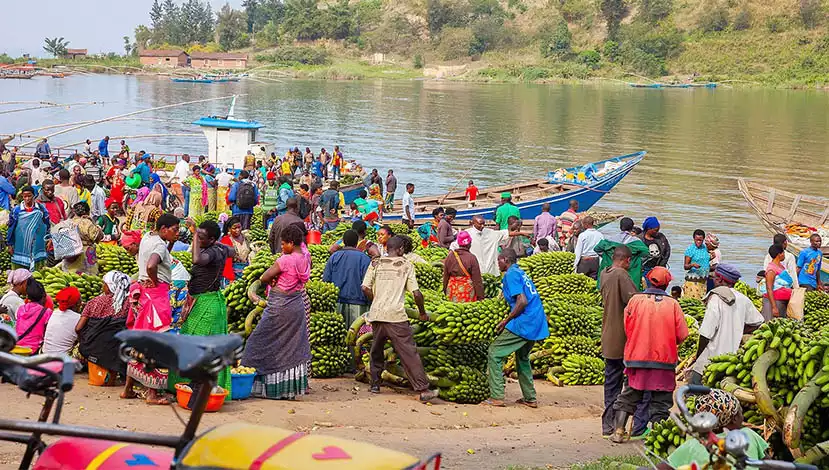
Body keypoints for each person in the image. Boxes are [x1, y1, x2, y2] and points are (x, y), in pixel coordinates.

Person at [609, 267, 689, 443]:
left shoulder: (634, 301)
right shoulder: (673, 304)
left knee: (629, 395)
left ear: (647, 280)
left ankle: (619, 431)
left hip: (636, 357)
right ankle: (656, 437)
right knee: (661, 401)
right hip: (664, 360)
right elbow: (683, 334)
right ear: (667, 284)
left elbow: (627, 327)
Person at [361, 235, 438, 402]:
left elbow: (365, 287)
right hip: (396, 315)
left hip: (377, 314)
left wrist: (375, 300)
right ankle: (423, 389)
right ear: (401, 249)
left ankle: (375, 384)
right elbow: (416, 293)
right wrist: (422, 312)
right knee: (408, 352)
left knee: (376, 349)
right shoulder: (406, 265)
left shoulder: (376, 263)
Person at [243, 224, 311, 400]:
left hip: (279, 307)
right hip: (296, 306)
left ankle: (260, 387)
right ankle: (286, 389)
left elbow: (264, 277)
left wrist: (271, 279)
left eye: (283, 244)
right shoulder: (305, 256)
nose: (281, 247)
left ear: (290, 243)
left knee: (257, 343)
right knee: (290, 345)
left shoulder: (286, 260)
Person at [169, 220, 234, 400]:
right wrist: (215, 242)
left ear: (211, 239)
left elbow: (197, 259)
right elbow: (233, 251)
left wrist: (197, 237)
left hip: (207, 303)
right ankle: (189, 386)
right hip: (203, 300)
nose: (199, 239)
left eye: (203, 238)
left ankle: (201, 388)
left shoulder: (211, 252)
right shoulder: (218, 248)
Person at [484, 248, 549, 407]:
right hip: (536, 320)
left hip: (525, 321)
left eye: (499, 260)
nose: (497, 263)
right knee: (522, 358)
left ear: (506, 260)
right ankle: (530, 398)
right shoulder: (520, 272)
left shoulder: (511, 275)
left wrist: (506, 321)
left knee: (494, 352)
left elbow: (522, 301)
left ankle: (497, 396)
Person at [123, 214, 178, 405]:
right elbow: (152, 264)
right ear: (164, 229)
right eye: (174, 229)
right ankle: (152, 394)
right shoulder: (160, 245)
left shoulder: (148, 237)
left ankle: (128, 388)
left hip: (145, 296)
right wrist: (154, 281)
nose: (177, 233)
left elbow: (158, 258)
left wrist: (169, 244)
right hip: (157, 296)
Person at [599, 245, 649, 437]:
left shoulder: (605, 272)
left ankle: (607, 425)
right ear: (627, 260)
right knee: (629, 385)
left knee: (611, 383)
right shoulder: (621, 275)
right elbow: (636, 302)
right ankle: (623, 425)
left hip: (608, 336)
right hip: (622, 339)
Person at [688, 264, 764, 385]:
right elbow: (759, 322)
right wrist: (738, 330)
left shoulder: (716, 299)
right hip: (733, 360)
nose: (713, 280)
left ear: (720, 279)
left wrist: (698, 356)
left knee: (693, 388)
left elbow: (706, 334)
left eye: (715, 277)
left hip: (712, 357)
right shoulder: (744, 299)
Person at [663, 390, 768, 470]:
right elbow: (770, 464)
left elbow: (662, 467)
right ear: (735, 418)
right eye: (740, 412)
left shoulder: (692, 445)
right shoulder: (748, 435)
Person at [76, 270, 131, 383]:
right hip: (117, 351)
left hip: (93, 348)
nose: (102, 286)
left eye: (104, 284)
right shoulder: (129, 303)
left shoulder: (93, 302)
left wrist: (85, 340)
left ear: (110, 286)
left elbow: (78, 328)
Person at [323, 229, 371, 332]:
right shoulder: (365, 258)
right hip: (359, 304)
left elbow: (326, 280)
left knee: (339, 334)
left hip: (337, 303)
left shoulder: (334, 257)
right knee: (357, 335)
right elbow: (368, 284)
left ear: (343, 242)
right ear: (356, 242)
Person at [594, 218, 648, 289]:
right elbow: (646, 254)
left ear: (620, 227)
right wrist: (634, 261)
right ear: (632, 228)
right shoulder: (637, 243)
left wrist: (609, 256)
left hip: (611, 273)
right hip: (630, 275)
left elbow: (597, 249)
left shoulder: (609, 240)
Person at [8, 186, 50, 270]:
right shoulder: (16, 210)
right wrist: (10, 244)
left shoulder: (41, 209)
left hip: (37, 243)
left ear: (34, 195)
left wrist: (49, 239)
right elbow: (11, 228)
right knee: (20, 270)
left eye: (29, 196)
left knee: (38, 271)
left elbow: (47, 225)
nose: (27, 198)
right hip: (20, 244)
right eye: (24, 196)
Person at [62, 202, 103, 275]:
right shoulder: (87, 223)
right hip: (84, 254)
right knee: (87, 278)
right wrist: (94, 223)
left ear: (74, 211)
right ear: (88, 212)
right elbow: (98, 237)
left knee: (71, 276)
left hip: (70, 254)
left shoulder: (67, 223)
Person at [442, 231, 484, 302]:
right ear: (470, 244)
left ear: (458, 243)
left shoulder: (450, 256)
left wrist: (444, 290)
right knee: (465, 311)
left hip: (452, 290)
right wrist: (480, 296)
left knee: (453, 311)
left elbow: (445, 276)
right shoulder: (472, 258)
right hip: (466, 292)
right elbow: (477, 280)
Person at [15, 279, 52, 351]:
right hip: (33, 350)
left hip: (18, 348)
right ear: (44, 296)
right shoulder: (47, 312)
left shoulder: (21, 309)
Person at [42, 287, 82, 355]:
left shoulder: (55, 313)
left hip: (44, 353)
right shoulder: (79, 319)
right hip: (62, 358)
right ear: (77, 304)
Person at [761, 244, 794, 321]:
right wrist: (774, 307)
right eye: (783, 253)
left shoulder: (781, 266)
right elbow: (769, 288)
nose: (784, 255)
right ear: (779, 254)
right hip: (775, 301)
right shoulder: (771, 270)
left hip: (782, 302)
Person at [639, 216, 671, 283]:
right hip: (644, 269)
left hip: (659, 268)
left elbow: (667, 250)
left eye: (658, 230)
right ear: (648, 229)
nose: (657, 232)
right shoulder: (639, 239)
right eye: (655, 230)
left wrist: (662, 265)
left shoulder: (661, 237)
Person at [220, 216, 251, 282]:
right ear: (229, 229)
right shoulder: (225, 240)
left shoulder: (246, 238)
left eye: (239, 227)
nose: (238, 230)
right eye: (234, 228)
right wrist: (231, 278)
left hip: (247, 272)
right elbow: (226, 262)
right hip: (233, 273)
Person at [683, 229, 710, 299]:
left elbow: (705, 260)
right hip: (693, 281)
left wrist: (712, 257)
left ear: (703, 239)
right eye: (696, 240)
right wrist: (692, 265)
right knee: (693, 302)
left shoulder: (705, 248)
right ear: (694, 239)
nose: (698, 242)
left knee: (702, 301)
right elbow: (685, 266)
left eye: (700, 240)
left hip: (703, 280)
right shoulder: (690, 250)